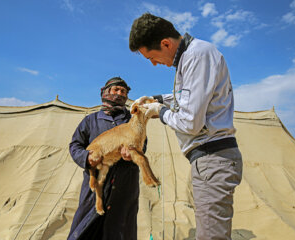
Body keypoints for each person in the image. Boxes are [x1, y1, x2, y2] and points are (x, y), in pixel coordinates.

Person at [129, 13, 243, 240]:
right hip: (208, 160)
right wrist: (156, 99)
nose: (153, 64)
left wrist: (159, 112)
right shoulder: (192, 57)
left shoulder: (197, 56)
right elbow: (187, 99)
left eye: (151, 57)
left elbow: (190, 122)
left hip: (213, 156)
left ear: (165, 44)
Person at [68, 77, 144, 240]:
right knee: (85, 229)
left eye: (123, 91)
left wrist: (132, 153)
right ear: (105, 92)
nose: (119, 94)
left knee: (121, 230)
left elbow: (142, 145)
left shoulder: (133, 120)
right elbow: (75, 145)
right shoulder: (91, 120)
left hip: (125, 186)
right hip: (95, 187)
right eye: (115, 90)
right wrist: (86, 157)